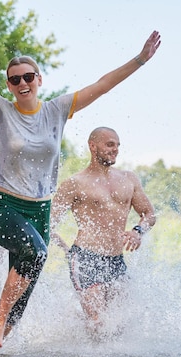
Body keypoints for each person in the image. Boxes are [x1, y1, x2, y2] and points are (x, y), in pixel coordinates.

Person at [0, 15, 161, 347]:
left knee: (22, 300)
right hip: (3, 207)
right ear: (8, 84)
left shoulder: (58, 109)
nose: (22, 83)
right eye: (15, 79)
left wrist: (139, 60)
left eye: (28, 77)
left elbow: (103, 84)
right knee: (35, 253)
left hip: (39, 212)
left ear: (39, 79)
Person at [50, 127, 156, 335]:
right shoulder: (75, 183)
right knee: (98, 324)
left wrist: (138, 231)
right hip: (85, 258)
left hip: (116, 261)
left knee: (119, 327)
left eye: (117, 145)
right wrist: (66, 249)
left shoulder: (129, 179)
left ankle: (78, 332)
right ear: (93, 146)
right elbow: (48, 224)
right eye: (109, 144)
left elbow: (149, 214)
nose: (115, 149)